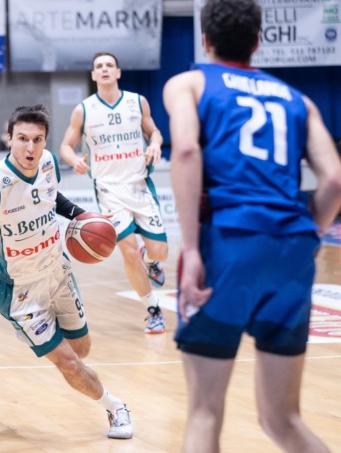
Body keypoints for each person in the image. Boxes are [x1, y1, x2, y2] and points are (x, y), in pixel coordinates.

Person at [163, 0, 341, 451]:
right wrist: (311, 233)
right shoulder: (298, 100)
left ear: (205, 40)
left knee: (204, 413)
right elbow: (335, 181)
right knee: (282, 419)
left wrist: (193, 249)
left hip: (228, 241)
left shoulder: (189, 83)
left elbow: (186, 151)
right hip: (291, 249)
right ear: (258, 42)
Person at [0, 104, 133, 440]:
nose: (30, 148)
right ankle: (115, 406)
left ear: (45, 141)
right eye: (22, 139)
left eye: (37, 139)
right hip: (22, 291)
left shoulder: (48, 162)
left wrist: (79, 215)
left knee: (81, 350)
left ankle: (49, 342)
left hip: (58, 271)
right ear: (9, 139)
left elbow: (49, 196)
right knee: (69, 363)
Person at [60, 52, 169, 334]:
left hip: (140, 185)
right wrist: (74, 160)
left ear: (118, 72)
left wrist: (155, 144)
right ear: (93, 75)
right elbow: (65, 146)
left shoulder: (137, 102)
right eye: (99, 66)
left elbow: (155, 132)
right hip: (109, 190)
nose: (105, 69)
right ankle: (153, 310)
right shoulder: (83, 110)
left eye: (109, 65)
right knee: (128, 251)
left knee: (159, 251)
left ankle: (151, 260)